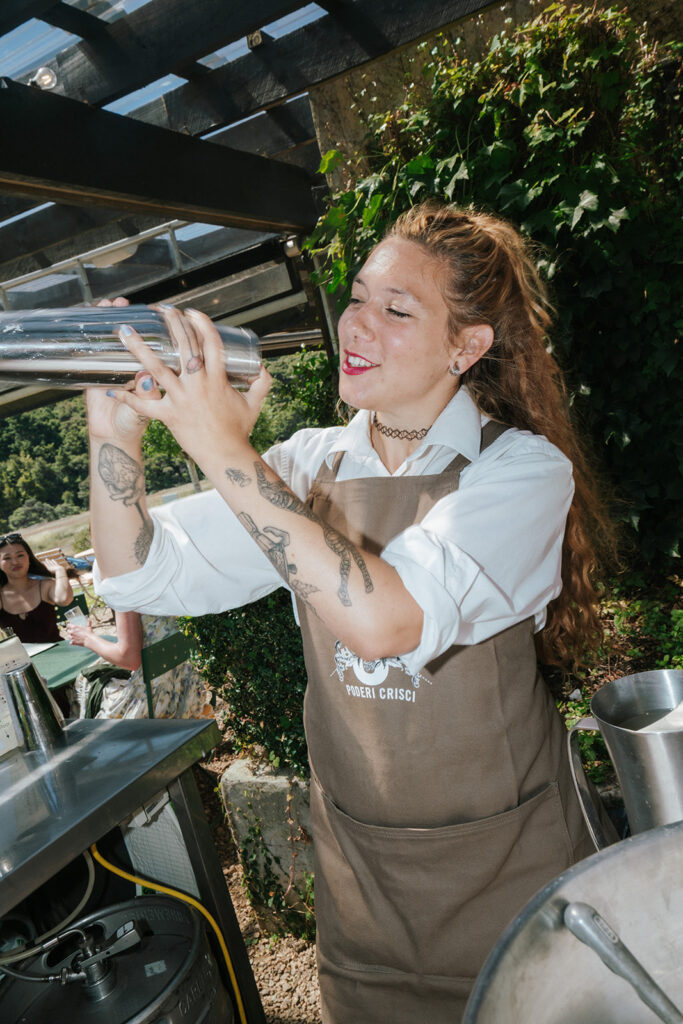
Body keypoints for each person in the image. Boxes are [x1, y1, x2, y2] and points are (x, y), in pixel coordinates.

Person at [86, 202, 615, 1022]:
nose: (354, 325)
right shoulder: (308, 461)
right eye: (357, 296)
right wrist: (114, 433)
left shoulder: (521, 473)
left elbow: (385, 621)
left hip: (511, 876)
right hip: (365, 888)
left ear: (466, 346)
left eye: (396, 309)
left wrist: (223, 449)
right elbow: (136, 577)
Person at [66, 609, 211, 719]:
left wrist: (87, 638)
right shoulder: (164, 573)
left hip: (149, 706)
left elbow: (129, 659)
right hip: (187, 695)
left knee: (83, 682)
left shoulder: (123, 586)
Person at [0, 533, 74, 643]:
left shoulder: (45, 585)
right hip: (21, 659)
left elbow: (64, 599)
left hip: (57, 653)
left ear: (29, 558)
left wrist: (60, 571)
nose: (15, 562)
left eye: (20, 555)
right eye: (7, 558)